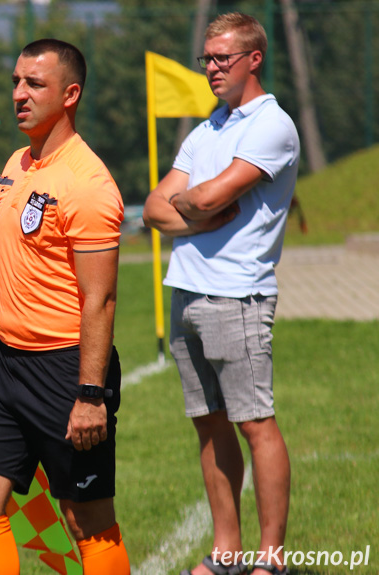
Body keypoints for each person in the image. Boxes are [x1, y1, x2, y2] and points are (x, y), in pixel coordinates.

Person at [0, 39, 129, 575]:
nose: (18, 95)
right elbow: (22, 258)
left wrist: (89, 396)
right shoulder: (17, 163)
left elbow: (98, 299)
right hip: (7, 364)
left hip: (65, 370)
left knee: (86, 522)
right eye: (15, 82)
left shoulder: (88, 183)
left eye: (35, 84)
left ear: (70, 94)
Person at [143, 13, 299, 575]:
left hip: (238, 294)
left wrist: (193, 205)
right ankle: (227, 553)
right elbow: (155, 207)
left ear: (253, 59)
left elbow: (210, 195)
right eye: (207, 58)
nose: (210, 67)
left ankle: (271, 559)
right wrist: (197, 215)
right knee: (209, 423)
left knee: (256, 423)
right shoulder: (207, 128)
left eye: (221, 58)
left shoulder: (271, 125)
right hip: (186, 290)